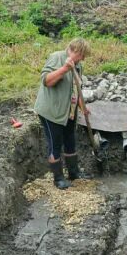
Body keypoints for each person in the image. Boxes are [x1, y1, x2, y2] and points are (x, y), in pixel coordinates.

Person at [34, 38, 91, 189]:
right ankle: (58, 178)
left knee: (70, 141)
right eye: (82, 55)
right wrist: (65, 69)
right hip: (51, 111)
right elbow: (46, 81)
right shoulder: (57, 57)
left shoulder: (78, 65)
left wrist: (82, 107)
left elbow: (75, 88)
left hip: (68, 112)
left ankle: (74, 173)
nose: (83, 59)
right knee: (55, 144)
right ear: (75, 51)